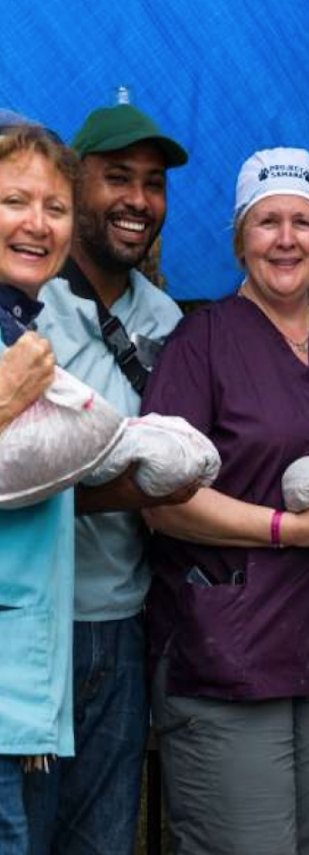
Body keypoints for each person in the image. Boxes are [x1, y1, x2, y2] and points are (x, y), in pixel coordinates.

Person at [142, 147, 309, 855]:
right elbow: (160, 501)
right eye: (267, 222)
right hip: (229, 660)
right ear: (240, 238)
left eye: (302, 220)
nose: (286, 238)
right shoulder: (199, 343)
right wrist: (291, 529)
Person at [24, 97, 190, 855]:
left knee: (102, 840)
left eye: (153, 184)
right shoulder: (27, 307)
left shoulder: (169, 322)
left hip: (121, 628)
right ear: (74, 183)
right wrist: (138, 484)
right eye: (117, 177)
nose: (137, 200)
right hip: (29, 626)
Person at [0, 120, 78, 854]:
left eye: (56, 207)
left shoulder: (22, 327)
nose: (37, 223)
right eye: (15, 200)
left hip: (21, 704)